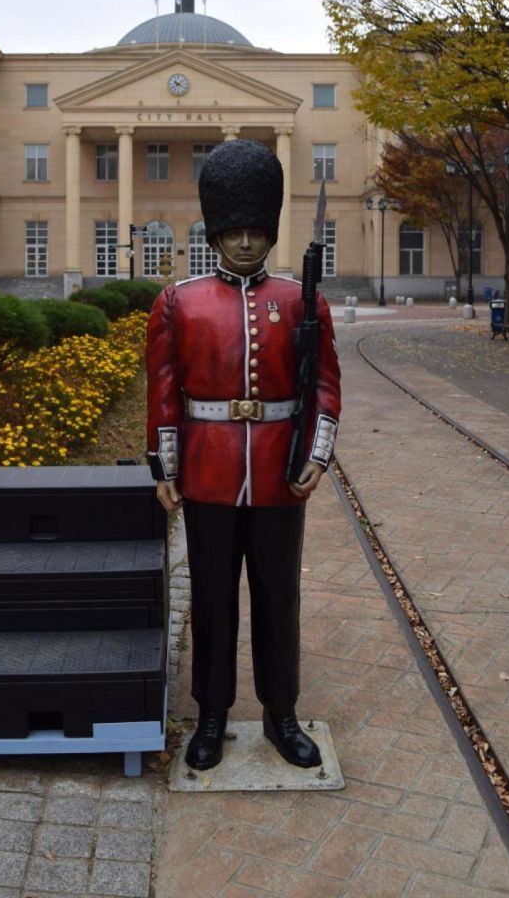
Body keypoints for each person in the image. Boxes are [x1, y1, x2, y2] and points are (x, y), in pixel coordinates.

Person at [145, 139, 341, 770]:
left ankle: (281, 714)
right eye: (236, 232)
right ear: (217, 233)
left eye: (258, 231)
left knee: (279, 595)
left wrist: (319, 450)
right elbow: (166, 389)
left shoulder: (301, 299)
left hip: (281, 474)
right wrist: (165, 465)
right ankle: (211, 715)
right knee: (212, 596)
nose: (249, 244)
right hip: (208, 471)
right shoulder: (180, 301)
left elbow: (325, 383)